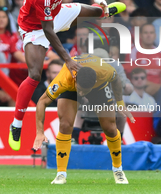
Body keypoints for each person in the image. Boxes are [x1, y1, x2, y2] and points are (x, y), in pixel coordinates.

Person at [8, 0, 126, 151]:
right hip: (35, 29)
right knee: (35, 75)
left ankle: (104, 9)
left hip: (55, 13)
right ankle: (16, 124)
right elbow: (48, 31)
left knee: (97, 12)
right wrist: (68, 60)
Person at [33, 54, 135, 184]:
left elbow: (116, 80)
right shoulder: (64, 79)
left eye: (85, 91)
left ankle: (118, 170)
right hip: (71, 87)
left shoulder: (105, 71)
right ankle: (61, 174)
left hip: (99, 87)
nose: (82, 95)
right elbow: (42, 102)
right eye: (81, 90)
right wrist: (39, 132)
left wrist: (120, 104)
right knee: (65, 125)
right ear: (75, 79)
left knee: (110, 128)